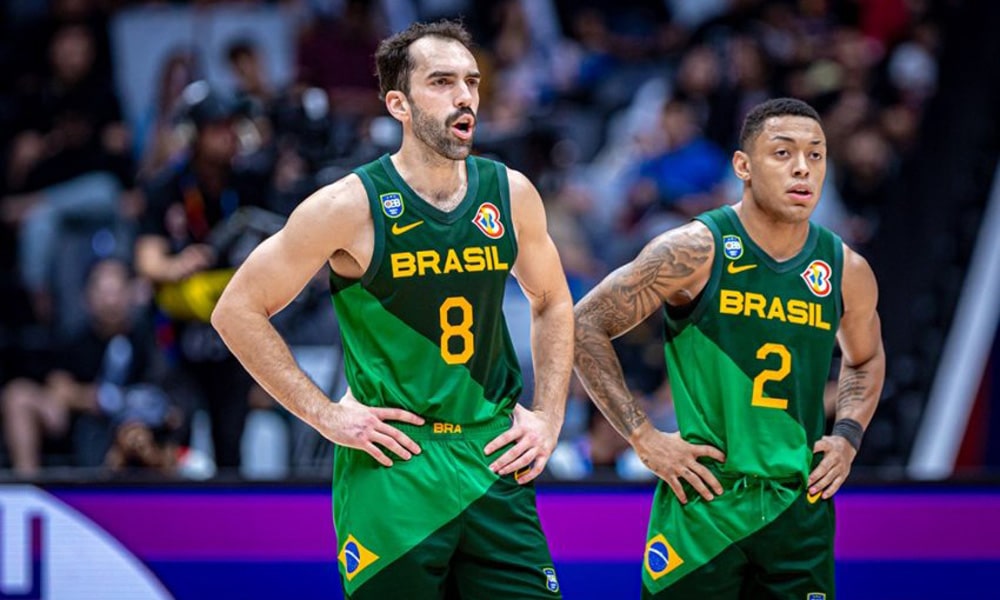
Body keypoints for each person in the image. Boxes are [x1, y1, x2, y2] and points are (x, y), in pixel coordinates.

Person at [211, 20, 573, 599]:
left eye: (472, 82)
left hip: (492, 459)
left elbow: (553, 300)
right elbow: (236, 310)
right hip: (395, 463)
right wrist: (325, 416)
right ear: (398, 103)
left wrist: (550, 414)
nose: (464, 97)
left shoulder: (510, 193)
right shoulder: (346, 205)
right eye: (442, 82)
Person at [573, 97, 884, 599]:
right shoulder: (695, 249)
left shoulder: (846, 268)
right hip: (705, 500)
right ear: (743, 165)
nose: (803, 167)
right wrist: (643, 437)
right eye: (783, 153)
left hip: (795, 507)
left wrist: (847, 434)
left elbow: (865, 358)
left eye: (816, 154)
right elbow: (584, 323)